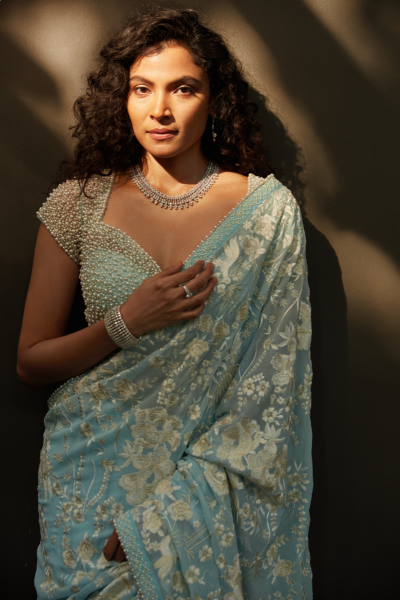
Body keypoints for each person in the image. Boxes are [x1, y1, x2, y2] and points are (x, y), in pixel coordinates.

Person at [17, 7, 313, 600]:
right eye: (141, 89)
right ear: (121, 99)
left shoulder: (267, 213)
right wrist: (125, 322)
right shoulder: (78, 203)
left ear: (214, 100)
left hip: (200, 491)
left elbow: (272, 389)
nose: (160, 109)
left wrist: (168, 517)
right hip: (88, 474)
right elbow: (30, 361)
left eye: (183, 88)